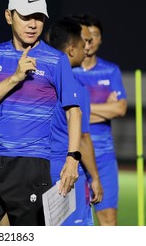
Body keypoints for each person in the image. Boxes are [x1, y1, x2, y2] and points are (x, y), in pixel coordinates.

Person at [0, 0, 82, 226]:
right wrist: (16, 77)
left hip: (31, 163)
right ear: (9, 16)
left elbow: (74, 111)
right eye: (26, 16)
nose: (33, 24)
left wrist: (72, 159)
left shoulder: (56, 59)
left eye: (39, 17)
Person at [73, 14, 127, 226]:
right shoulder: (68, 70)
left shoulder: (110, 70)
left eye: (95, 36)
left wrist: (80, 110)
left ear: (101, 39)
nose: (90, 41)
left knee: (108, 221)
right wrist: (106, 108)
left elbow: (121, 108)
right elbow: (64, 112)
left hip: (104, 156)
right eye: (86, 36)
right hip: (73, 155)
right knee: (71, 224)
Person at [48, 18, 103, 225]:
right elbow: (83, 138)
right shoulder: (76, 88)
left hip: (34, 168)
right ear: (71, 50)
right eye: (83, 45)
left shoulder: (37, 80)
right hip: (66, 171)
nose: (87, 49)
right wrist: (95, 178)